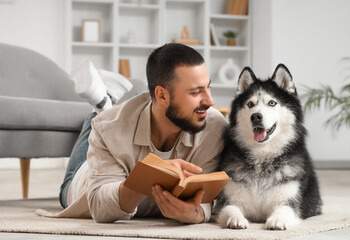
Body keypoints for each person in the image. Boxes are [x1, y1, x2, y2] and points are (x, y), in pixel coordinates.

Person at [36, 43, 227, 224]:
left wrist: (195, 215)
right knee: (95, 128)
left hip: (122, 127)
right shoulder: (107, 128)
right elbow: (99, 207)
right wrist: (149, 176)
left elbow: (207, 196)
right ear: (162, 95)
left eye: (208, 87)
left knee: (108, 122)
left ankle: (105, 103)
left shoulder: (214, 126)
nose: (210, 101)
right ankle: (100, 106)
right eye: (195, 92)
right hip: (85, 179)